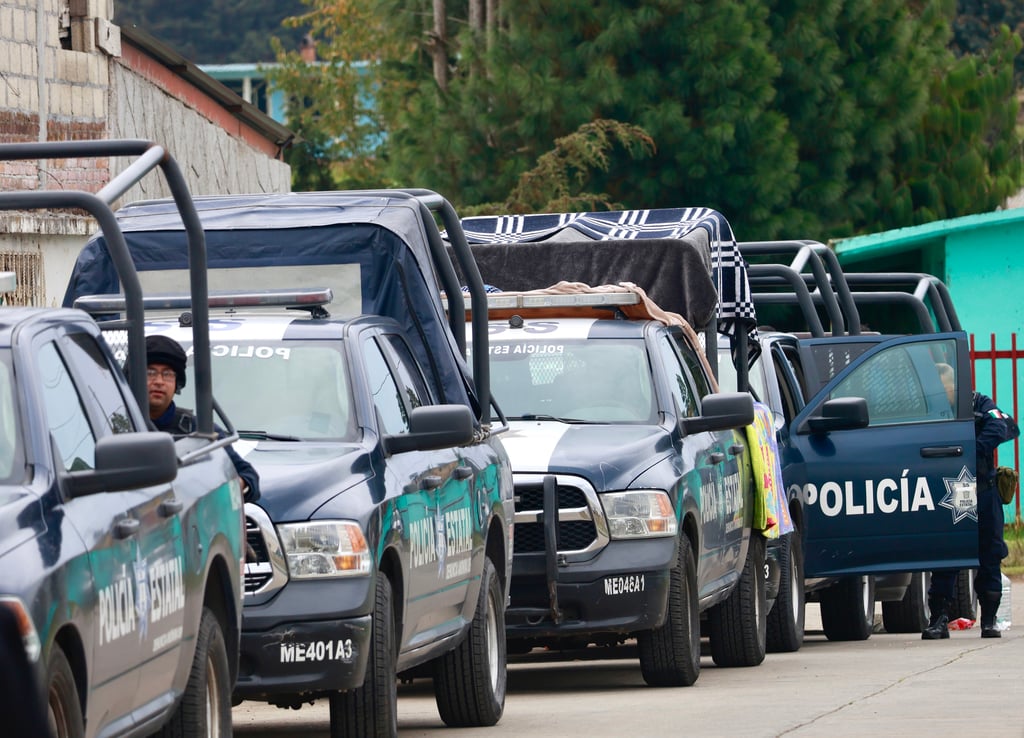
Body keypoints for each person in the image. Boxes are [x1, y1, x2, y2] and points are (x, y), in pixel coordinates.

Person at [923, 363, 1019, 639]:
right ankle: (939, 618)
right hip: (949, 491)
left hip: (982, 490)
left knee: (990, 554)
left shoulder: (978, 403)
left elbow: (1001, 426)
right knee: (946, 556)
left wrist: (966, 451)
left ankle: (989, 619)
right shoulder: (931, 411)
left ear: (954, 386)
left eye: (945, 390)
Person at [145, 335, 260, 502]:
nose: (159, 382)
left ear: (177, 382)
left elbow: (248, 477)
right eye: (150, 373)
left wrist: (227, 488)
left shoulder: (198, 428)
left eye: (168, 374)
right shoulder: (113, 424)